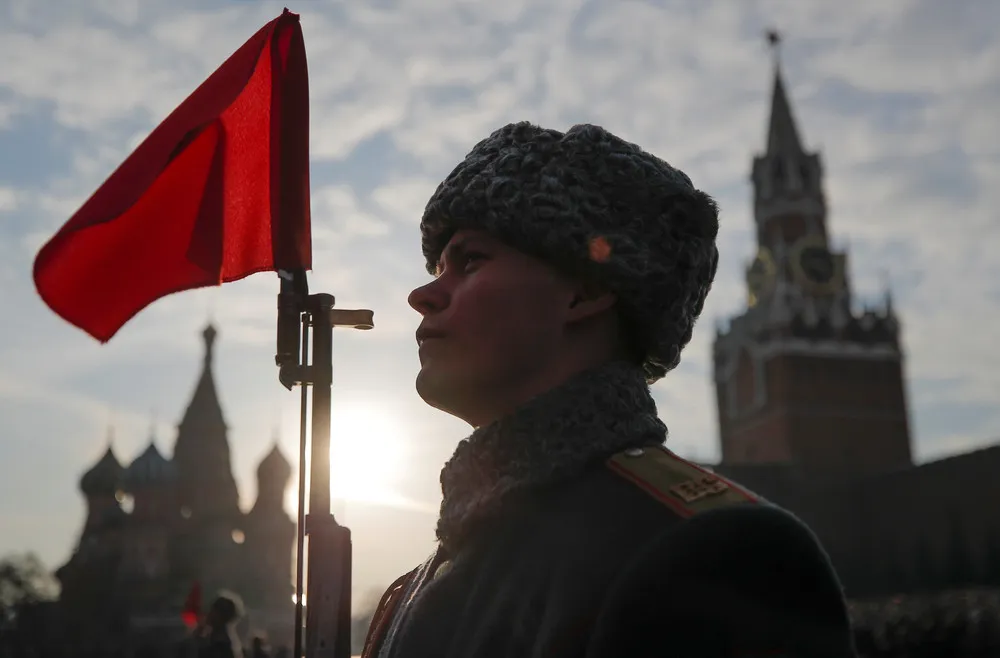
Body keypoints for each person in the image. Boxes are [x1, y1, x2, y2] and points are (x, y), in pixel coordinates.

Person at [361, 122, 857, 658]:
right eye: (438, 266)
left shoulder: (717, 554)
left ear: (588, 289)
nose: (423, 294)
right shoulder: (423, 579)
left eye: (470, 261)